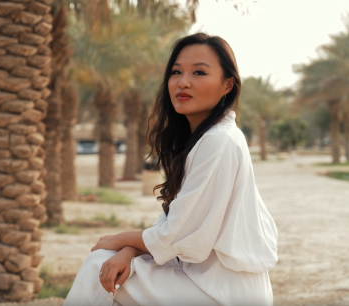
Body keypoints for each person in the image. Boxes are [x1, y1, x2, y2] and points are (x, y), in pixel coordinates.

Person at [63, 33, 278, 306]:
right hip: (205, 282)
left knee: (99, 268)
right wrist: (128, 250)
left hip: (222, 292)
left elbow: (179, 236)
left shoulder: (219, 141)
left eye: (199, 72)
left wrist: (118, 239)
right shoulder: (205, 138)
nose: (183, 82)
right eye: (176, 72)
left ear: (227, 85)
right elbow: (175, 223)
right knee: (112, 267)